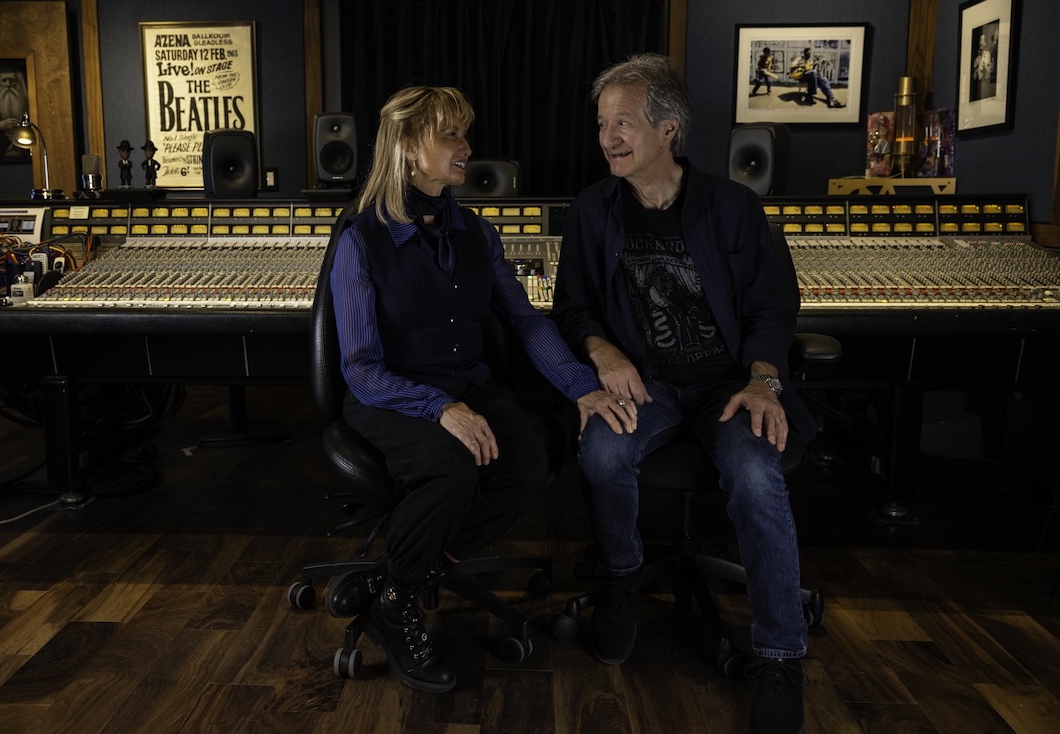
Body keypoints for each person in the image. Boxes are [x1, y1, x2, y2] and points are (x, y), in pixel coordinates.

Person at [331, 85, 633, 694]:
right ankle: (399, 610)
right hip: (390, 395)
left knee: (529, 462)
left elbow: (524, 319)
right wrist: (440, 408)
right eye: (452, 135)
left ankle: (397, 582)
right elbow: (360, 367)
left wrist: (581, 388)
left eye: (465, 134)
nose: (467, 147)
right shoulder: (361, 240)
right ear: (411, 149)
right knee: (453, 468)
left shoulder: (477, 232)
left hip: (466, 384)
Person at [550, 53, 818, 734]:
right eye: (602, 122)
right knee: (602, 453)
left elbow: (771, 307)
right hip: (648, 383)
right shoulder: (590, 211)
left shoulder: (732, 206)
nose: (608, 136)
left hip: (728, 385)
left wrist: (764, 381)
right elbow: (572, 307)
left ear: (669, 128)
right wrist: (601, 348)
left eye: (624, 122)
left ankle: (782, 654)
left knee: (757, 474)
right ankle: (621, 575)